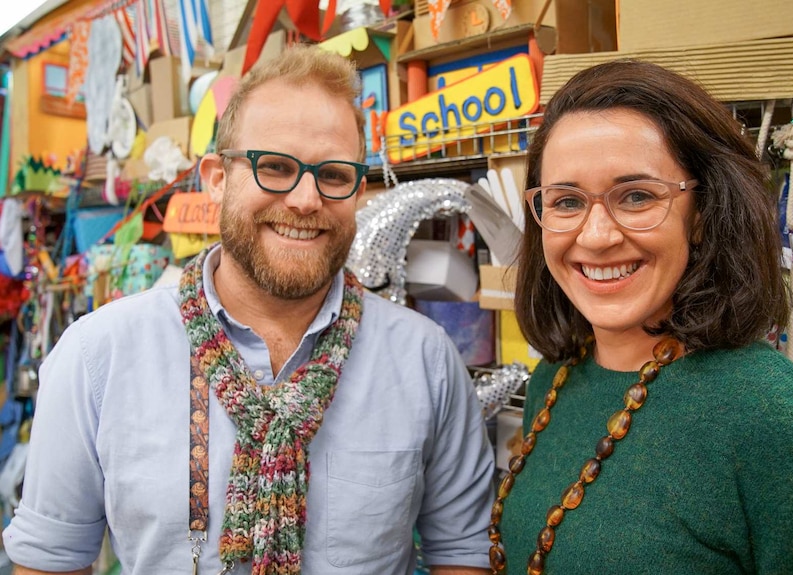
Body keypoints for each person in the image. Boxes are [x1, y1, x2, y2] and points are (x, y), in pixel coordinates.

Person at [3, 44, 495, 575]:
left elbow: (463, 557)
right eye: (275, 166)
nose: (306, 200)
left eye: (333, 175)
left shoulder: (426, 362)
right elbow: (49, 562)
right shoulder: (98, 356)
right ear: (216, 178)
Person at [489, 59, 793, 574]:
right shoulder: (555, 379)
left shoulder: (774, 417)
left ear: (704, 213)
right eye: (566, 201)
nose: (596, 236)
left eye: (637, 196)